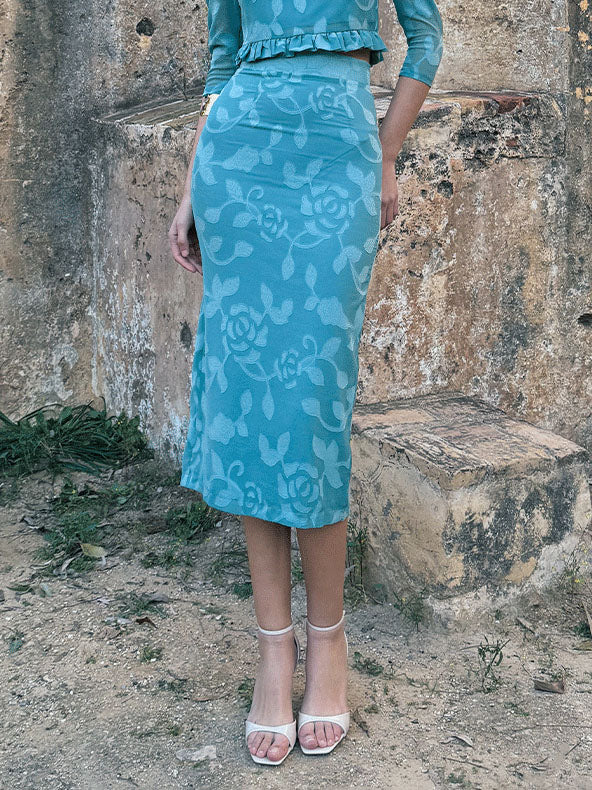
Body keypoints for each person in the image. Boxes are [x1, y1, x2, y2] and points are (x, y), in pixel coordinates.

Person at [169, 0, 443, 766]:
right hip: (239, 161)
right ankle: (273, 649)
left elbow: (427, 40)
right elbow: (222, 63)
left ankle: (329, 641)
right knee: (251, 411)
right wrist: (193, 187)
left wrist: (384, 154)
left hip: (337, 158)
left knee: (310, 412)